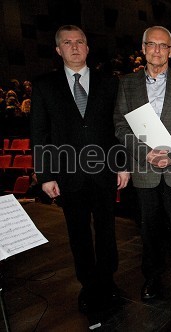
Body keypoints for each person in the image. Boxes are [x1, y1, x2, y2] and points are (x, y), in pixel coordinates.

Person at [30, 25, 129, 316]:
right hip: (68, 176)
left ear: (87, 47)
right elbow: (39, 133)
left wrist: (123, 165)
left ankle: (108, 280)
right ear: (58, 50)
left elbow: (118, 129)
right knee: (78, 234)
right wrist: (45, 174)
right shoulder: (44, 85)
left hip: (104, 172)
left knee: (107, 231)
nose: (74, 47)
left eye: (80, 42)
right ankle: (88, 285)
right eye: (67, 43)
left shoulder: (109, 83)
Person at [113, 26, 171, 301]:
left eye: (164, 46)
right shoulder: (126, 83)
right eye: (152, 44)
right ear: (143, 48)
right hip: (144, 168)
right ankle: (152, 277)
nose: (157, 50)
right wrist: (145, 153)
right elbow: (120, 125)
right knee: (148, 229)